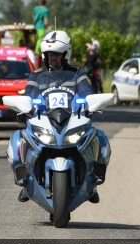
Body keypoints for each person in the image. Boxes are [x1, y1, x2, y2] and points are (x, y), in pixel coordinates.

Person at [15, 31, 104, 204]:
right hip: (44, 119)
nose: (52, 57)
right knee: (19, 139)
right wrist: (25, 106)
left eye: (56, 54)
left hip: (71, 119)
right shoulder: (36, 75)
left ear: (65, 54)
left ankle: (91, 181)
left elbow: (87, 93)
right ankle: (27, 182)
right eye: (49, 54)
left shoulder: (78, 73)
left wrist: (90, 103)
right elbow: (28, 96)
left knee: (98, 136)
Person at [32, 0, 49, 69]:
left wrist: (35, 21)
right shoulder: (45, 10)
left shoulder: (35, 8)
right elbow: (46, 20)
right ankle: (37, 51)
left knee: (36, 38)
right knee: (41, 38)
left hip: (35, 25)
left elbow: (33, 15)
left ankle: (35, 49)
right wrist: (47, 27)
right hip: (41, 26)